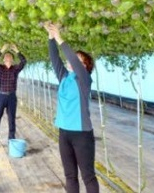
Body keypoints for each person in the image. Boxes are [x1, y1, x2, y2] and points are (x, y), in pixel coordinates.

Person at [43, 22, 99, 193]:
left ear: (85, 67)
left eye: (78, 60)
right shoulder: (65, 78)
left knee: (88, 176)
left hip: (81, 134)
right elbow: (55, 59)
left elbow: (72, 59)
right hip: (64, 132)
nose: (72, 60)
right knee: (70, 175)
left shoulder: (84, 80)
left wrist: (60, 37)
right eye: (74, 58)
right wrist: (51, 38)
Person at [0, 43, 27, 150]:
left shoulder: (15, 69)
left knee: (11, 119)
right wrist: (1, 50)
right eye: (5, 56)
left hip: (11, 97)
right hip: (0, 96)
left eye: (9, 56)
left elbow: (24, 61)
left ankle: (11, 140)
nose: (7, 57)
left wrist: (17, 51)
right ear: (3, 60)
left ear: (12, 60)